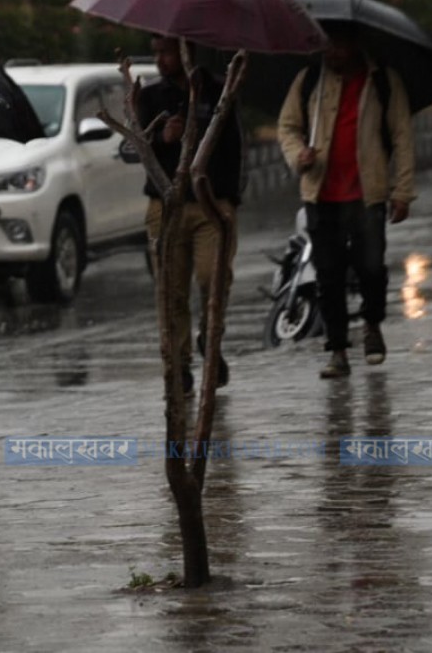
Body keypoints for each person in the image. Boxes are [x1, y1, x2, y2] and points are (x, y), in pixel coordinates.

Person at [277, 22, 416, 379]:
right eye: (326, 45)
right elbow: (287, 127)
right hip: (320, 194)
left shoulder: (383, 81)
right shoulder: (309, 80)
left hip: (367, 194)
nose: (332, 53)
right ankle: (337, 350)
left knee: (371, 266)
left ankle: (372, 324)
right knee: (329, 276)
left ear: (355, 44)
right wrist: (298, 156)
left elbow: (402, 136)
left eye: (339, 45)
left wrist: (402, 191)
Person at [125, 35, 243, 395]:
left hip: (210, 204)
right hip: (167, 208)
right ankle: (179, 368)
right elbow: (130, 148)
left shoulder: (217, 91)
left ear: (187, 51)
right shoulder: (149, 97)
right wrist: (160, 136)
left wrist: (229, 200)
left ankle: (211, 341)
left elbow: (237, 146)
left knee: (213, 279)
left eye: (167, 51)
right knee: (171, 290)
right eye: (156, 51)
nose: (160, 58)